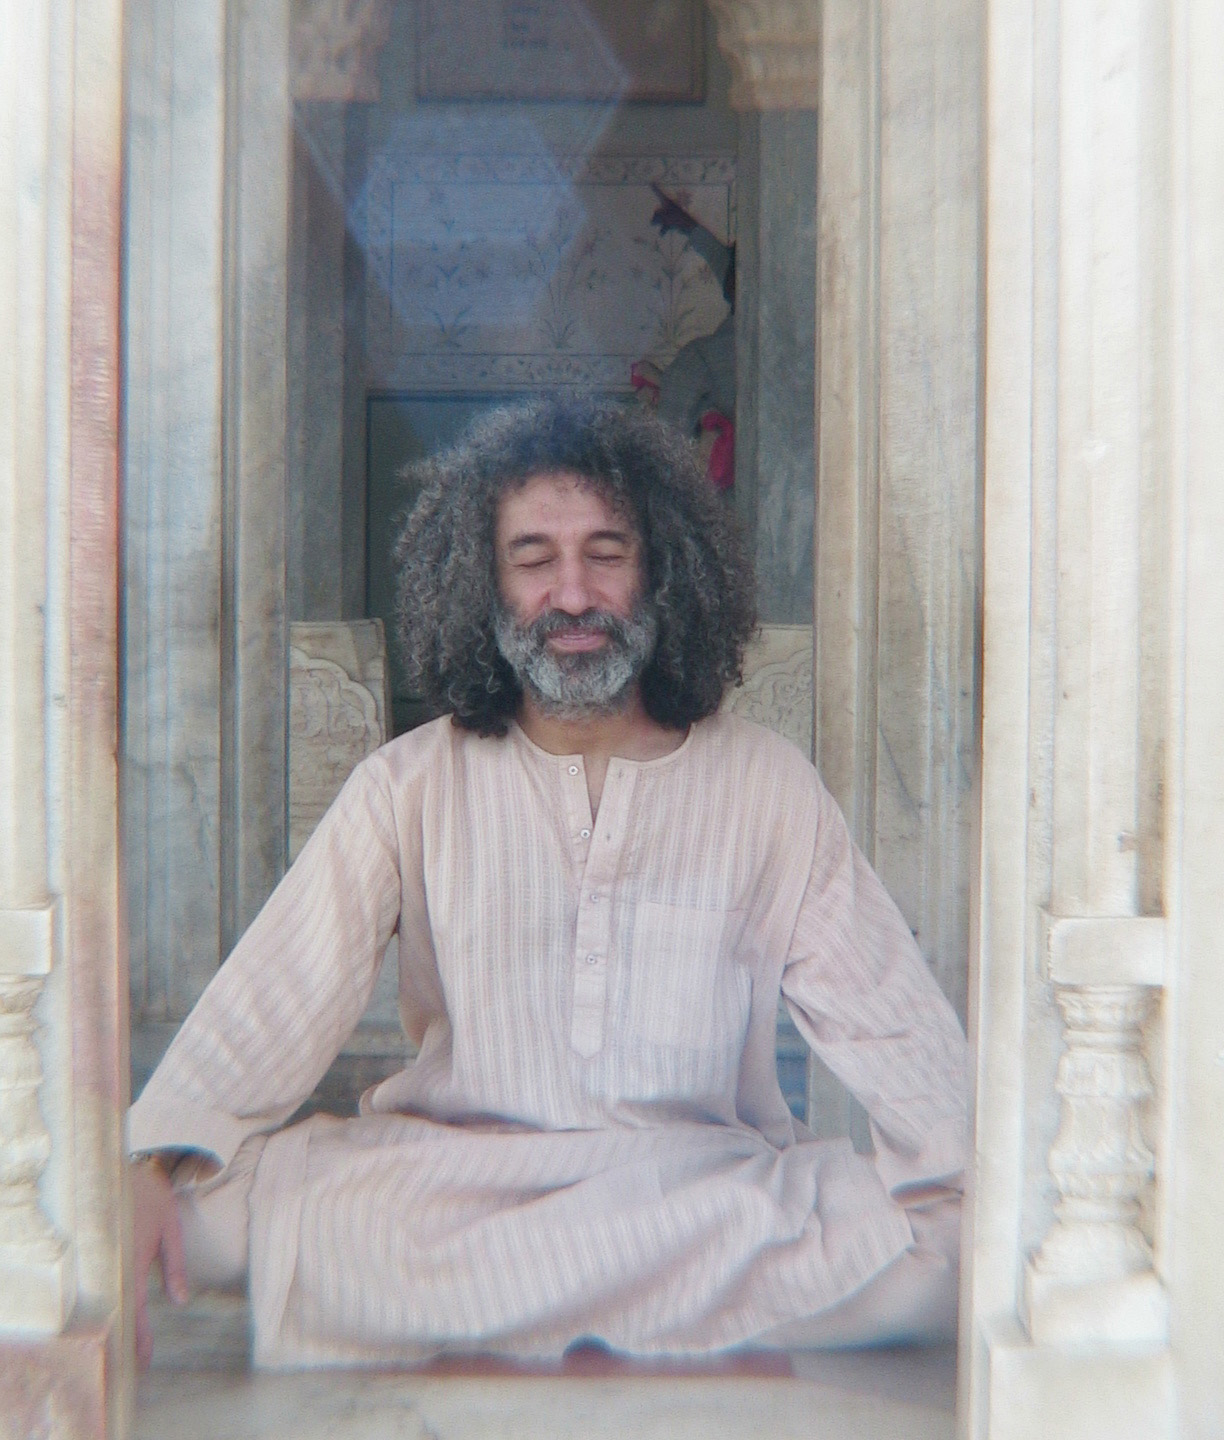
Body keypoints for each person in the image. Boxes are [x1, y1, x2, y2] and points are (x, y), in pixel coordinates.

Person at [128, 397, 967, 1371]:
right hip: (451, 1187)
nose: (572, 594)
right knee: (198, 1214)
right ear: (482, 583)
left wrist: (970, 1173)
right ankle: (647, 1310)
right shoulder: (408, 783)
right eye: (533, 560)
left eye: (607, 554)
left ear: (664, 569)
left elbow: (887, 1015)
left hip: (694, 1189)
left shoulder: (769, 784)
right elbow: (280, 987)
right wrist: (156, 1158)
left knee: (952, 1240)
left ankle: (503, 1307)